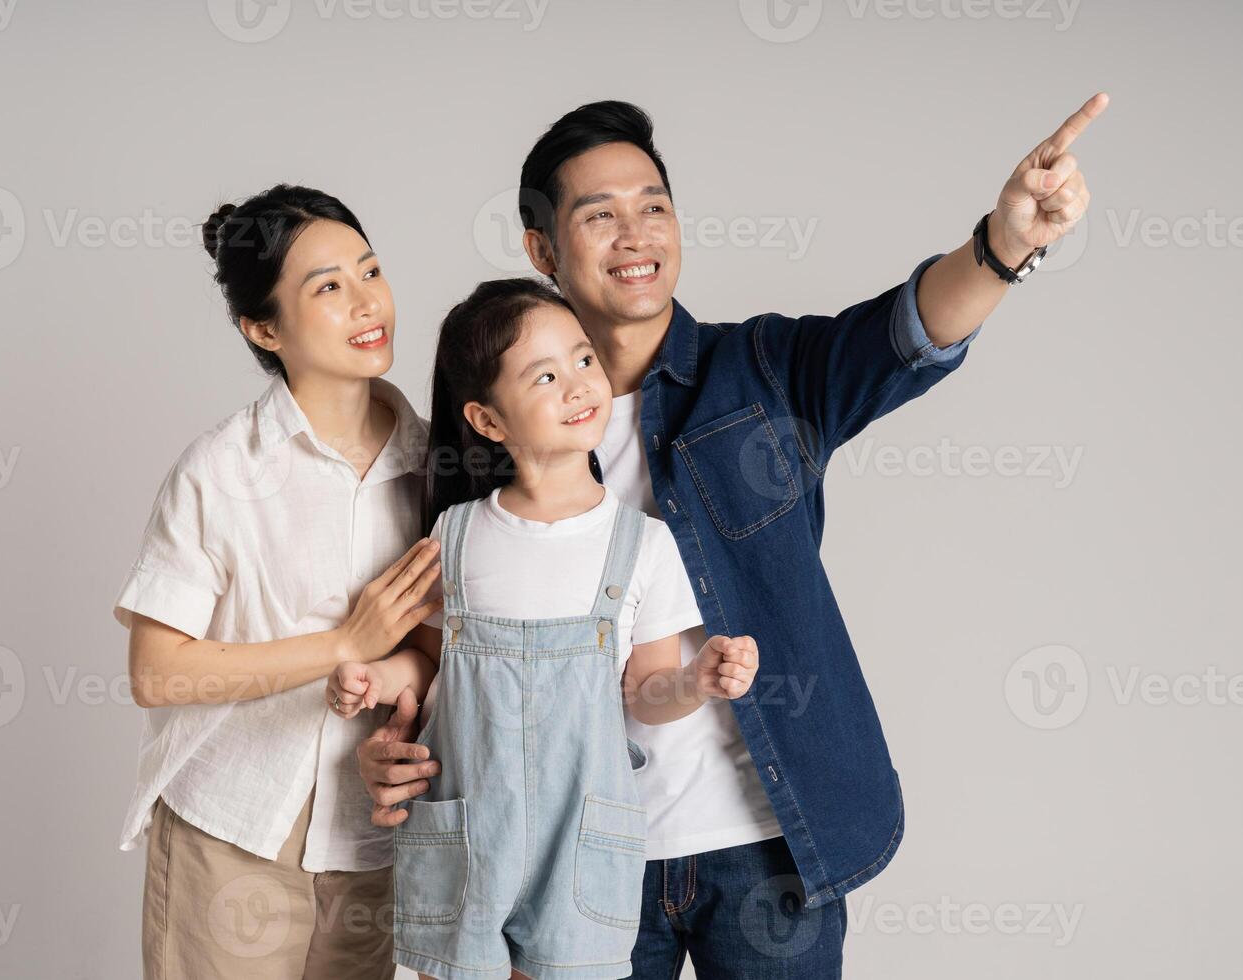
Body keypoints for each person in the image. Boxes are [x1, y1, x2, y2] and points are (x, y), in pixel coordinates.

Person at [359, 95, 1106, 978]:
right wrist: (396, 749)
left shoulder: (761, 374)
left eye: (654, 207)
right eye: (600, 215)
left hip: (762, 849)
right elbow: (450, 656)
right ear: (541, 250)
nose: (636, 235)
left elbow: (904, 332)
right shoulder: (479, 453)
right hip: (570, 860)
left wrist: (1003, 245)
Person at [326, 278, 761, 980]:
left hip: (580, 846)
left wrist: (695, 680)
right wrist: (372, 677)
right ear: (488, 420)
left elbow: (644, 690)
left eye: (584, 360)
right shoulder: (458, 535)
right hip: (469, 834)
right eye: (545, 376)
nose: (579, 385)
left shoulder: (642, 544)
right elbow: (432, 662)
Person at [112, 183, 442, 979]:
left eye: (370, 271)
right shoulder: (220, 470)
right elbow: (158, 674)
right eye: (328, 288)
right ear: (264, 328)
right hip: (231, 833)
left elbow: (443, 648)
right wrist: (341, 645)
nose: (368, 303)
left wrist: (399, 669)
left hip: (373, 837)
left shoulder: (440, 466)